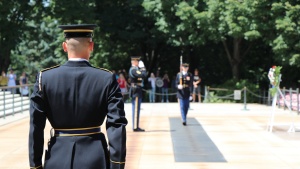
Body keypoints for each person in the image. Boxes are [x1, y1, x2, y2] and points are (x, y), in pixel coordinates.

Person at [29, 24, 127, 169]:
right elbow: (117, 124)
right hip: (95, 158)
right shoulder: (106, 78)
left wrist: (35, 165)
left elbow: (36, 126)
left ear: (64, 46)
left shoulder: (45, 78)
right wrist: (116, 165)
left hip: (57, 156)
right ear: (91, 46)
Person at [129, 56, 147, 132]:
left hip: (137, 89)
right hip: (136, 90)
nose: (138, 62)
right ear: (134, 62)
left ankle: (136, 126)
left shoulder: (136, 69)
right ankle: (135, 127)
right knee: (136, 109)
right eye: (137, 61)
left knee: (137, 108)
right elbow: (143, 75)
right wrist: (143, 68)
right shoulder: (133, 70)